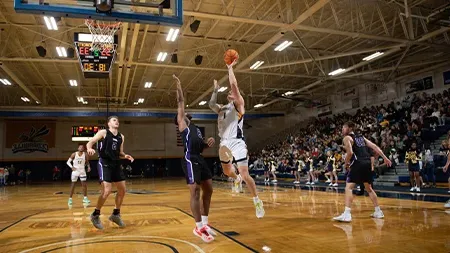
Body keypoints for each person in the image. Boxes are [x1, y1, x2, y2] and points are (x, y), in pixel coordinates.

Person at [208, 60, 265, 218]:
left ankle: (257, 201)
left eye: (233, 92)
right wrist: (215, 90)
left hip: (237, 142)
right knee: (227, 172)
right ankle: (236, 177)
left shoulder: (239, 104)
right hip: (224, 143)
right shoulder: (222, 108)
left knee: (245, 174)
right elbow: (211, 104)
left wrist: (230, 68)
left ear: (237, 95)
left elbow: (233, 84)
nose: (230, 92)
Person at [173, 74, 216, 243]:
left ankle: (205, 223)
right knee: (195, 191)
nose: (186, 114)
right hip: (190, 158)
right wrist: (179, 86)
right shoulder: (182, 124)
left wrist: (208, 144)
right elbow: (180, 103)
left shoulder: (196, 129)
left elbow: (201, 146)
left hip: (199, 157)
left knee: (209, 189)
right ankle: (198, 227)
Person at [333, 121, 391, 222]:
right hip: (367, 163)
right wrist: (385, 158)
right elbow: (375, 147)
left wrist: (346, 163)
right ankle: (378, 211)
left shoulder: (347, 138)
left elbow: (350, 153)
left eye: (344, 128)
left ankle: (347, 214)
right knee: (369, 188)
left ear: (349, 128)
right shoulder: (361, 137)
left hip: (358, 163)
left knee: (349, 188)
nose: (342, 130)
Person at [86, 116, 134, 230]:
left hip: (116, 163)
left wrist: (125, 155)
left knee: (122, 189)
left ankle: (116, 214)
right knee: (107, 190)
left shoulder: (121, 136)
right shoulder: (103, 132)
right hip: (104, 163)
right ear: (108, 123)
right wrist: (89, 148)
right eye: (114, 120)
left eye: (117, 120)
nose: (117, 121)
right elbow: (90, 142)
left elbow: (120, 152)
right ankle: (95, 215)